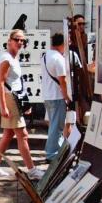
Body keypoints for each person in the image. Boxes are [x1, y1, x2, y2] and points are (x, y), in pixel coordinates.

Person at [0, 30, 44, 180]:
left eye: (22, 40)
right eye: (17, 39)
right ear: (10, 40)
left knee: (8, 134)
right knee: (23, 135)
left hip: (16, 98)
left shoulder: (13, 57)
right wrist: (2, 105)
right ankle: (31, 170)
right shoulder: (7, 59)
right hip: (10, 99)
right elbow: (0, 83)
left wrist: (25, 104)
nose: (20, 42)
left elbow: (16, 83)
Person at [41, 32, 71, 161]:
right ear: (62, 44)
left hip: (48, 95)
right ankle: (52, 153)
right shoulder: (58, 58)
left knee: (54, 125)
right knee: (57, 126)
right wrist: (66, 97)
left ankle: (53, 151)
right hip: (57, 96)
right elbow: (62, 80)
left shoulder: (45, 55)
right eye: (67, 43)